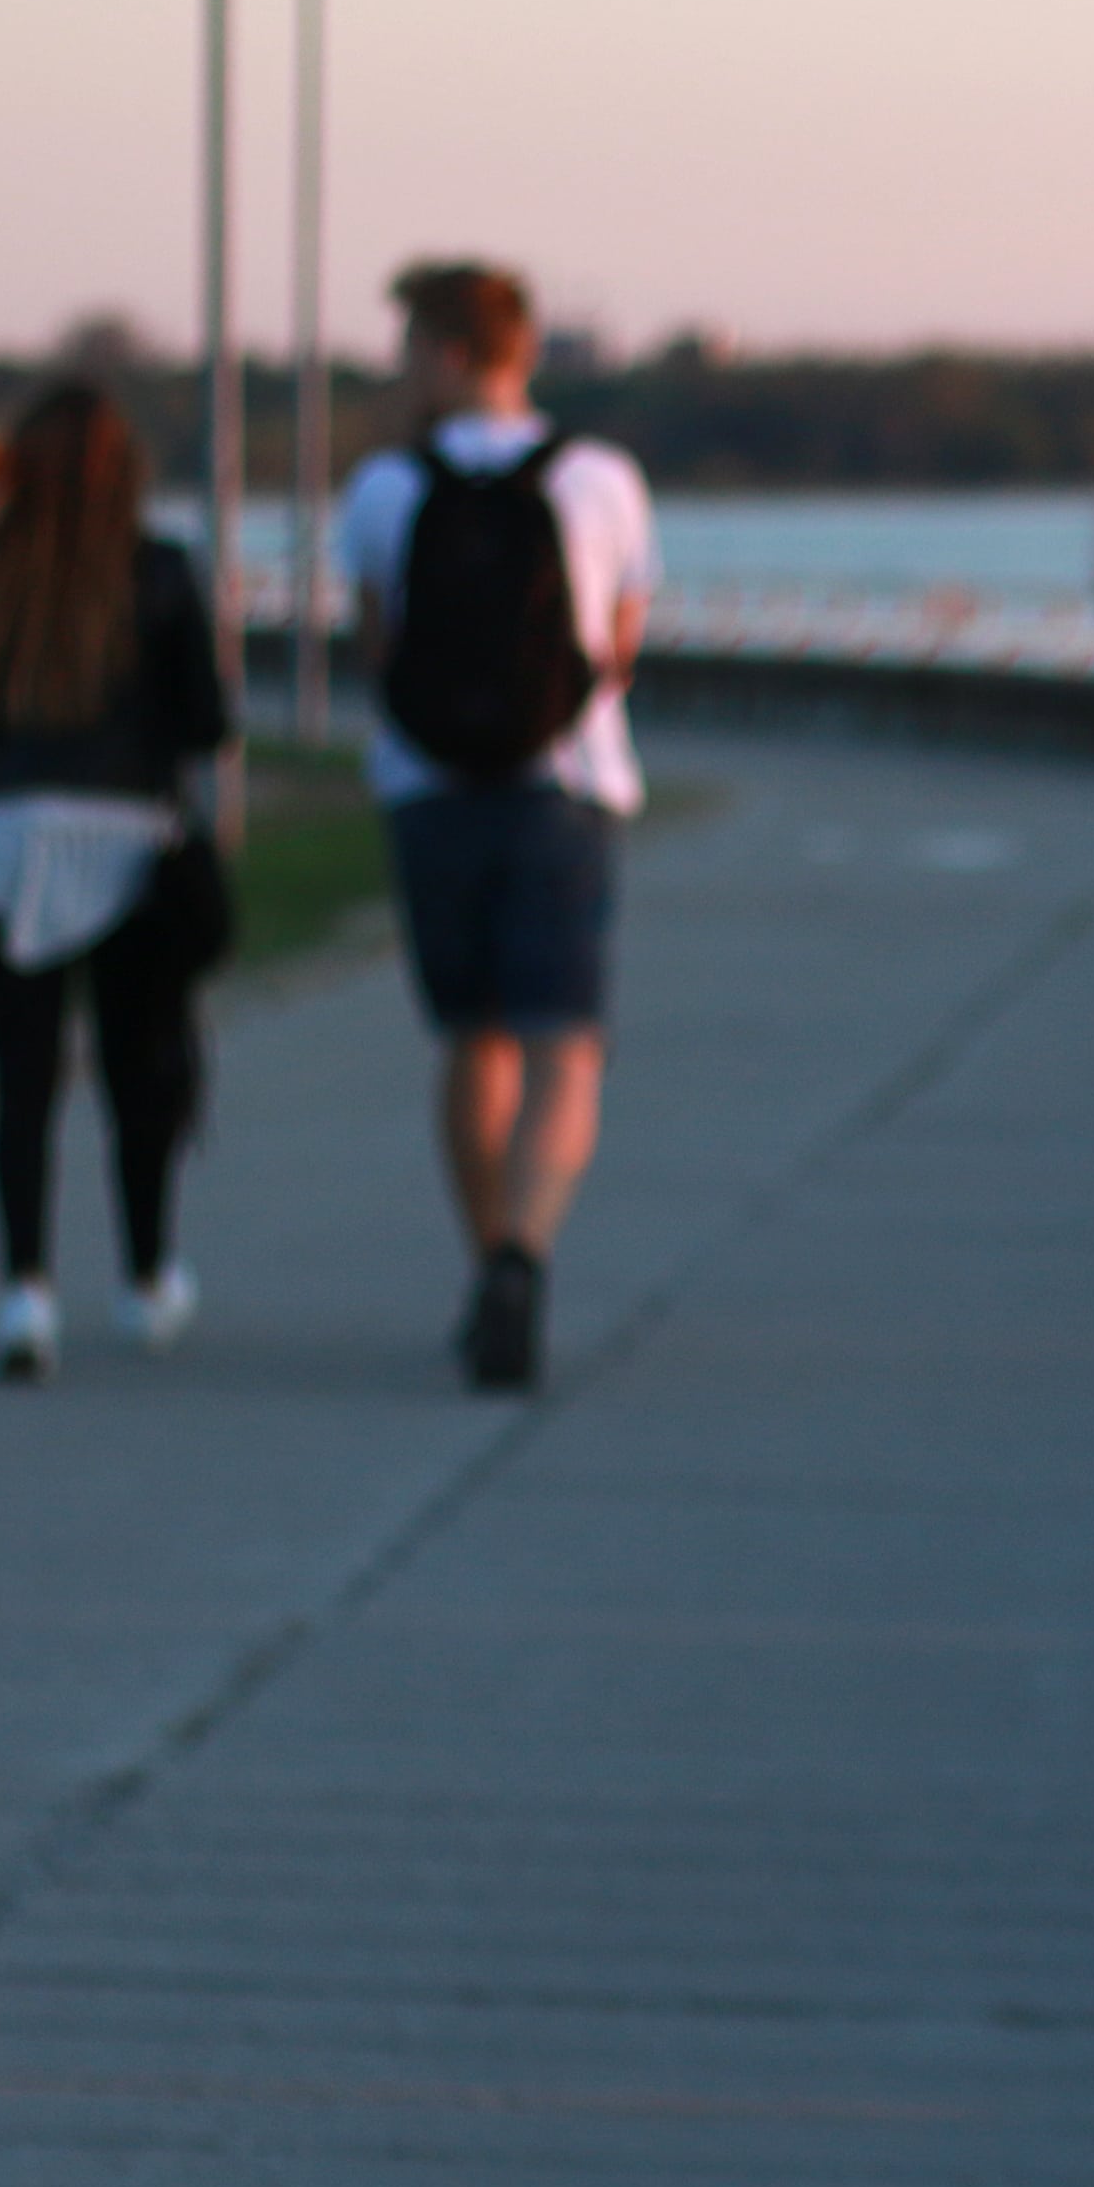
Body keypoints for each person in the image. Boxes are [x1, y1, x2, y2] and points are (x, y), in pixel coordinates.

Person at [334, 258, 657, 1394]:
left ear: (451, 351)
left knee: (473, 1038)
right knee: (565, 1042)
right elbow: (621, 639)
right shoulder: (602, 479)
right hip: (567, 786)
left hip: (429, 791)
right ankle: (525, 1256)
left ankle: (485, 1270)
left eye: (409, 347)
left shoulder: (382, 489)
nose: (399, 371)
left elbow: (375, 643)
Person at [0, 385, 233, 1382]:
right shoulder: (162, 571)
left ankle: (24, 1296)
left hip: (4, 842)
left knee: (23, 1078)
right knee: (138, 1068)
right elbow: (206, 723)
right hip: (129, 840)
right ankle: (145, 1281)